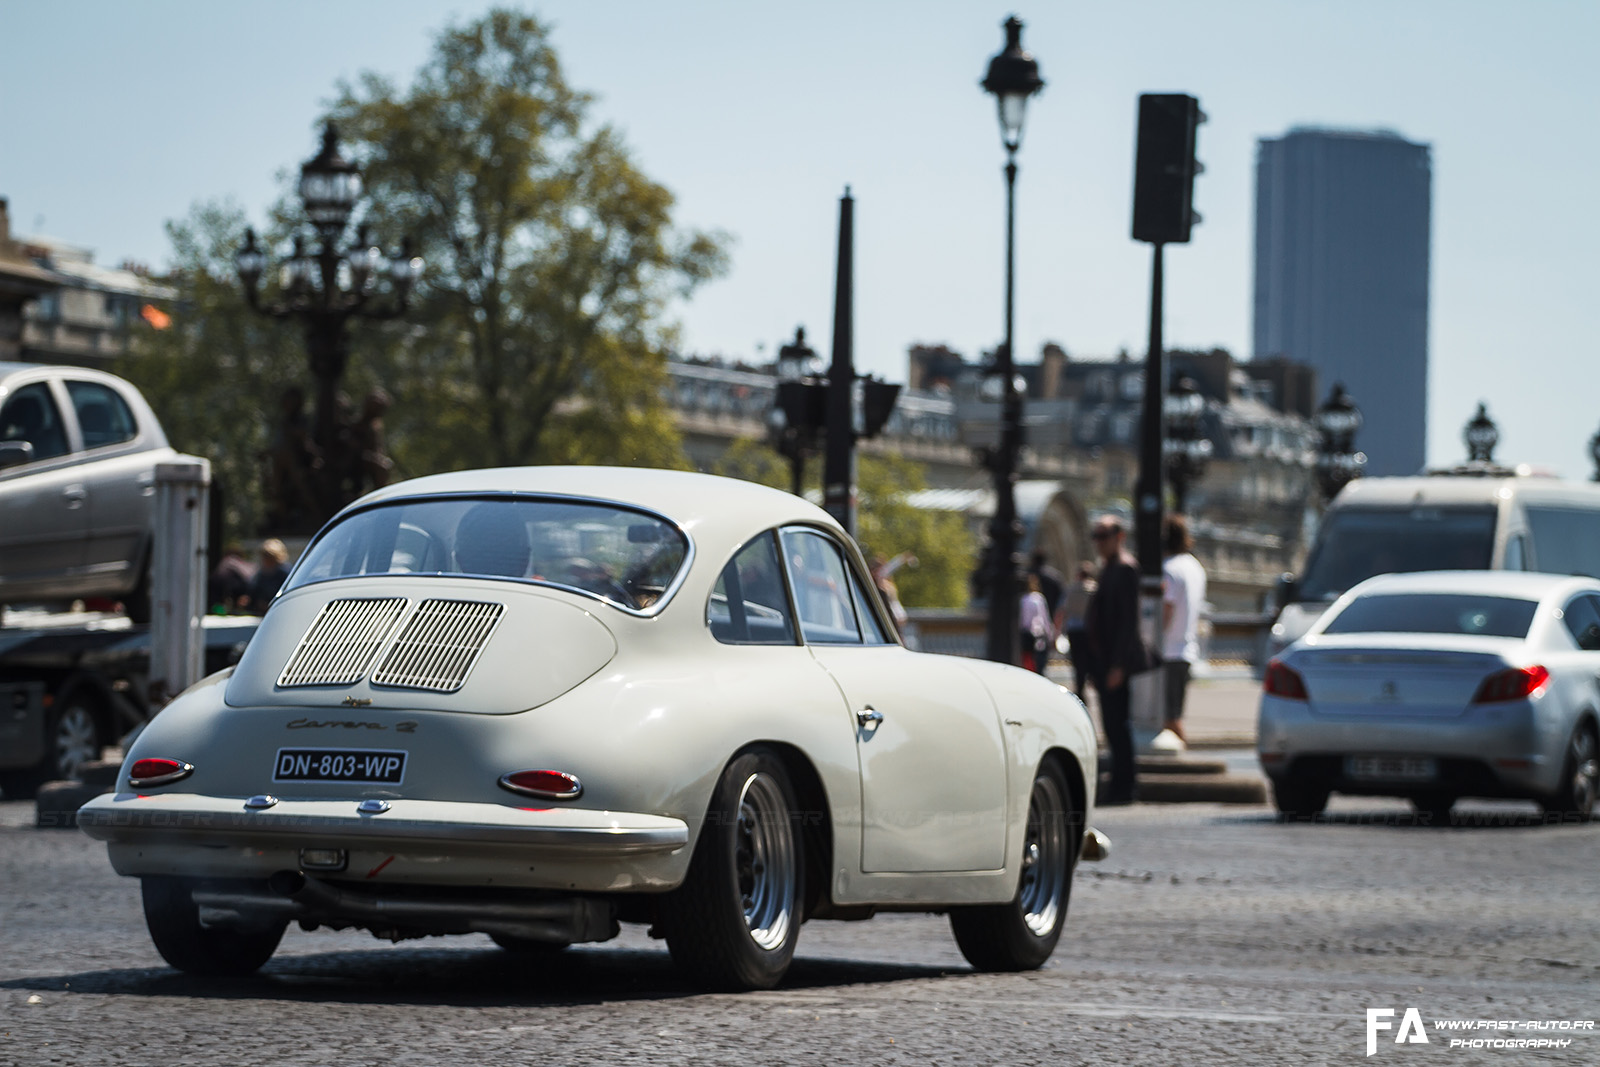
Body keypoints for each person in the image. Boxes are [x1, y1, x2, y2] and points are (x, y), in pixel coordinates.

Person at [1085, 516, 1148, 805]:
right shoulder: (1109, 568)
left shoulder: (1125, 569)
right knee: (1111, 724)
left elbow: (1128, 623)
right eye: (1095, 536)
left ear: (1119, 536)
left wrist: (1118, 666)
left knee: (1118, 725)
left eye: (1103, 535)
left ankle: (1125, 787)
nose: (1098, 541)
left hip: (1114, 662)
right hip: (1103, 660)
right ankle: (1120, 785)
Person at [1162, 515, 1208, 744]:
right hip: (1186, 648)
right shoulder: (1195, 567)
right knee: (1174, 714)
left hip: (1167, 650)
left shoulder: (1169, 569)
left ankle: (1181, 755)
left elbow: (1166, 611)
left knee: (1169, 718)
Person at [1056, 563, 1097, 700]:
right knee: (1089, 658)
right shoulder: (1094, 589)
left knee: (1077, 660)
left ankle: (1080, 686)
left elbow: (1062, 611)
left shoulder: (1071, 589)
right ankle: (1088, 682)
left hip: (1074, 629)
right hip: (1089, 630)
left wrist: (1058, 630)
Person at [245, 539, 291, 615]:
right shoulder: (261, 573)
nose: (265, 560)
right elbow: (253, 592)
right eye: (264, 556)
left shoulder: (285, 572)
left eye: (268, 556)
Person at [1019, 573, 1054, 674]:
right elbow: (1044, 617)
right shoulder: (1038, 599)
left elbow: (1023, 619)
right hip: (1037, 632)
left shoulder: (1024, 599)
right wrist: (1049, 633)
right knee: (1037, 657)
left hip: (1028, 631)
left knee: (1029, 657)